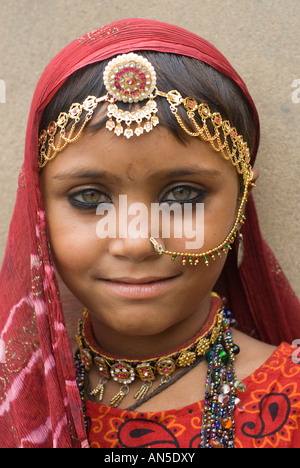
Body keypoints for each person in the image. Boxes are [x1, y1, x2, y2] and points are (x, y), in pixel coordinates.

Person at [0, 18, 300, 449]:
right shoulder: (15, 400)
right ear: (39, 211)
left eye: (182, 195)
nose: (137, 243)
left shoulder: (291, 397)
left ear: (240, 202)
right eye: (89, 198)